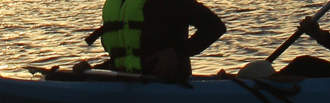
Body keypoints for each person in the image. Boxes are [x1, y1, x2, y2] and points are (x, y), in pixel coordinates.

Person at [86, 0, 226, 82]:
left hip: (168, 87)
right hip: (126, 83)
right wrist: (92, 72)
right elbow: (130, 54)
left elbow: (214, 27)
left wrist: (177, 54)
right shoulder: (119, 4)